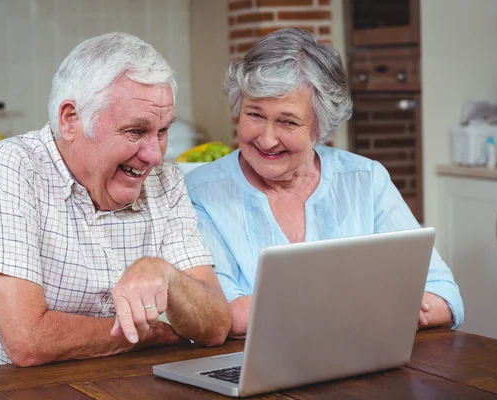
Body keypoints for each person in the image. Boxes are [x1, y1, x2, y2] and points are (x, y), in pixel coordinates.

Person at [0, 32, 231, 368]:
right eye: (135, 132)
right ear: (71, 120)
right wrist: (153, 334)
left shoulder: (165, 181)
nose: (155, 156)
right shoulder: (7, 166)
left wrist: (167, 275)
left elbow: (216, 326)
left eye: (162, 131)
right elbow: (28, 340)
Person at [185, 28, 463, 338]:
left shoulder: (365, 180)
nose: (266, 138)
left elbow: (444, 297)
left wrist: (318, 310)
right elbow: (228, 314)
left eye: (288, 121)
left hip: (364, 364)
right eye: (255, 115)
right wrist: (373, 306)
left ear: (322, 124)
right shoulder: (201, 192)